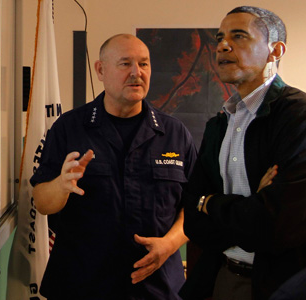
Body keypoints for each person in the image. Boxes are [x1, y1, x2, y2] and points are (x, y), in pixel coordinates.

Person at [30, 33, 197, 299]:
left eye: (144, 64)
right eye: (125, 64)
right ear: (100, 70)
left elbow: (194, 205)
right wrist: (61, 186)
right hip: (83, 285)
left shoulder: (175, 133)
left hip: (156, 288)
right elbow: (42, 202)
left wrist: (170, 244)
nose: (137, 72)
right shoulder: (69, 129)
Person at [180, 6, 306, 300]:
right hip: (222, 279)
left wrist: (212, 203)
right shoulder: (219, 124)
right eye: (220, 37)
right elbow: (194, 223)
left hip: (282, 286)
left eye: (239, 36)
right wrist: (249, 206)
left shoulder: (303, 118)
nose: (222, 45)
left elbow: (278, 225)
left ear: (275, 51)